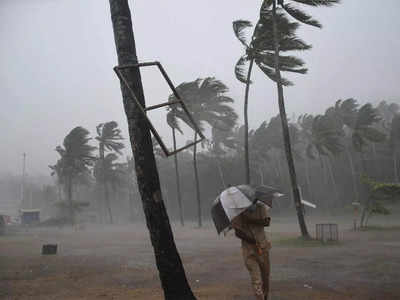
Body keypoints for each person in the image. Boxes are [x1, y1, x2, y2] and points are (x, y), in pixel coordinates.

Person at [232, 201, 271, 300]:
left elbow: (267, 222)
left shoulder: (261, 207)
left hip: (263, 247)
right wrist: (251, 240)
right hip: (249, 251)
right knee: (256, 280)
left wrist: (250, 220)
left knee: (265, 277)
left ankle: (265, 296)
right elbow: (237, 232)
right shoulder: (237, 212)